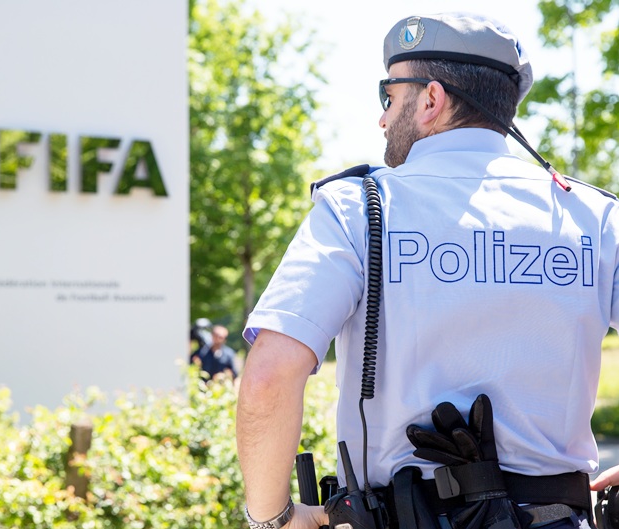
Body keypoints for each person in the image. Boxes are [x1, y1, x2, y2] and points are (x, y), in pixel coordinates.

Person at [236, 11, 619, 529]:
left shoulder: (360, 206)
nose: (382, 119)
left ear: (432, 100)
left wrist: (273, 519)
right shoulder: (594, 216)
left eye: (388, 98)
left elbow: (269, 374)